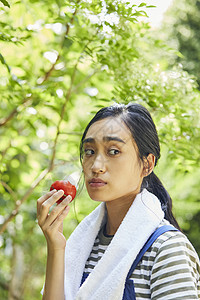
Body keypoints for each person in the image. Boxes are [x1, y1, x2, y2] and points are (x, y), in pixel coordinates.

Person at [37, 102, 200, 300]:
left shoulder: (167, 249)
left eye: (113, 151)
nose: (96, 166)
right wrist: (55, 247)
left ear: (147, 164)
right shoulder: (81, 246)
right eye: (89, 151)